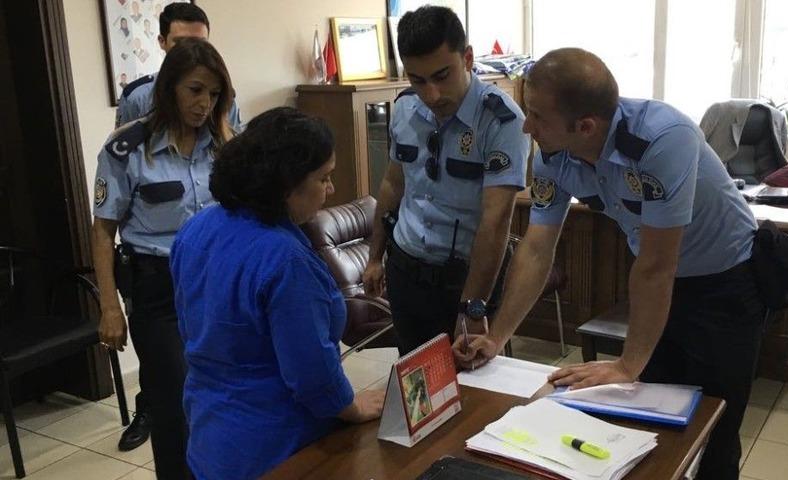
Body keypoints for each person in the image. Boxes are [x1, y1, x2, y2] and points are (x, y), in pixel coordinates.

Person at [455, 48, 765, 480]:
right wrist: (497, 335)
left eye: (537, 116)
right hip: (661, 286)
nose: (527, 126)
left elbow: (657, 265)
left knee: (714, 432)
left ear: (585, 126)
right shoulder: (553, 154)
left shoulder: (661, 139)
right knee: (650, 423)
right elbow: (537, 247)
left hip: (725, 285)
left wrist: (626, 364)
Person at [170, 107, 385, 480]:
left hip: (211, 433)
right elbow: (311, 374)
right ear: (286, 183)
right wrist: (352, 407)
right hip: (279, 444)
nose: (331, 190)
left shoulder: (196, 227)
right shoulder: (285, 260)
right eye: (324, 178)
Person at [91, 37, 235, 479]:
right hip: (159, 290)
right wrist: (110, 307)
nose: (204, 104)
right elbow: (102, 231)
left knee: (223, 396)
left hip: (217, 283)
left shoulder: (224, 144)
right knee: (175, 406)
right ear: (169, 87)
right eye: (195, 90)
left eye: (214, 94)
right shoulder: (127, 149)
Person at [361, 5, 529, 354]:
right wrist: (375, 257)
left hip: (464, 281)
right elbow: (393, 184)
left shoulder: (501, 120)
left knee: (469, 377)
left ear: (467, 58)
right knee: (414, 374)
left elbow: (496, 221)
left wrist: (473, 307)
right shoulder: (405, 109)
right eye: (418, 80)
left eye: (442, 76)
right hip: (405, 270)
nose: (432, 94)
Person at [116, 2, 241, 129]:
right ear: (162, 41)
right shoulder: (137, 98)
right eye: (181, 42)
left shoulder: (223, 96)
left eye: (200, 43)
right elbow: (125, 139)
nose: (192, 50)